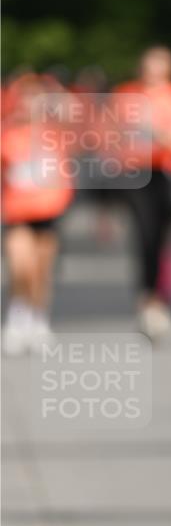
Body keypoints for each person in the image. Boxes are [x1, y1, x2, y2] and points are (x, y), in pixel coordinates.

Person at [112, 46, 171, 341]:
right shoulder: (126, 95)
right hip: (135, 174)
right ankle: (147, 301)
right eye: (147, 65)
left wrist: (156, 134)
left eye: (158, 66)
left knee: (166, 237)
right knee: (143, 238)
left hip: (168, 174)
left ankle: (163, 298)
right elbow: (113, 136)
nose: (151, 72)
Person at [1, 73, 74, 355]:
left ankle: (38, 319)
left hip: (49, 209)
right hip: (17, 210)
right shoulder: (7, 133)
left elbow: (74, 114)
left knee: (41, 271)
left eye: (34, 98)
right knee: (21, 266)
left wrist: (52, 89)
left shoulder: (54, 132)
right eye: (25, 98)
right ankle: (17, 318)